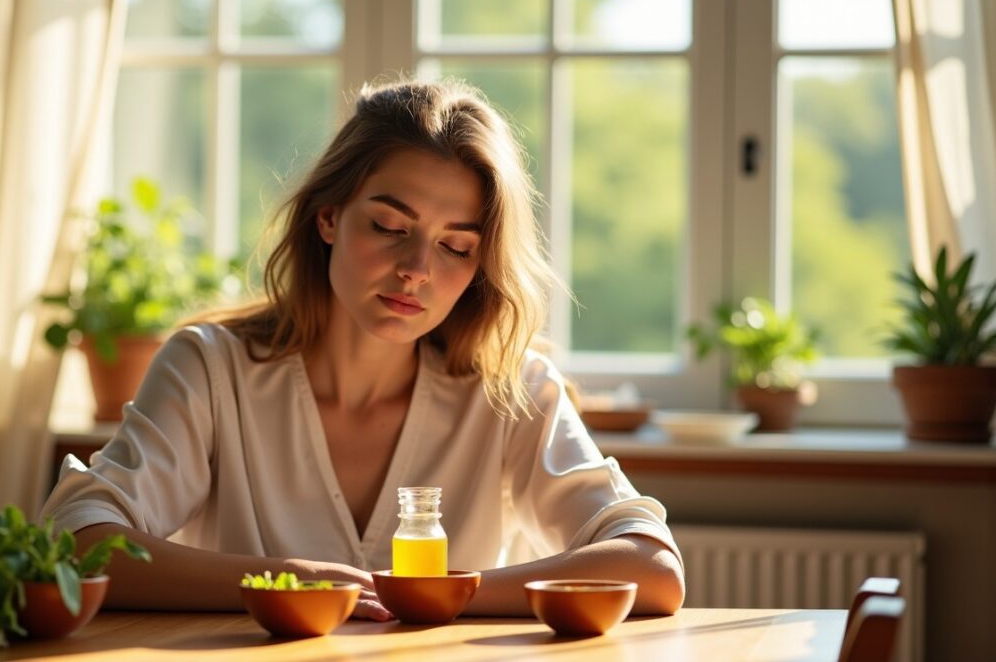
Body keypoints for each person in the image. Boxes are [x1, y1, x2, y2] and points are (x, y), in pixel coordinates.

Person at [41, 78, 685, 620]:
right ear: (328, 218)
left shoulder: (512, 387)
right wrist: (280, 583)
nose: (416, 269)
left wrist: (431, 597)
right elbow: (74, 542)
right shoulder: (208, 369)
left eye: (455, 246)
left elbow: (652, 567)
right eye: (389, 227)